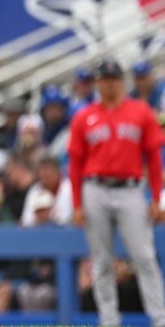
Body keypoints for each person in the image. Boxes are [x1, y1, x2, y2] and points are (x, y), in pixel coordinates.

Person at [68, 58, 165, 327]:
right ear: (97, 83)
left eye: (114, 79)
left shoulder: (141, 112)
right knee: (101, 261)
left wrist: (156, 198)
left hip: (131, 190)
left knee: (144, 256)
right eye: (104, 80)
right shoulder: (83, 116)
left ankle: (160, 319)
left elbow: (154, 159)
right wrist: (76, 203)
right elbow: (75, 163)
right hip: (95, 188)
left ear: (122, 82)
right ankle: (109, 320)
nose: (109, 84)